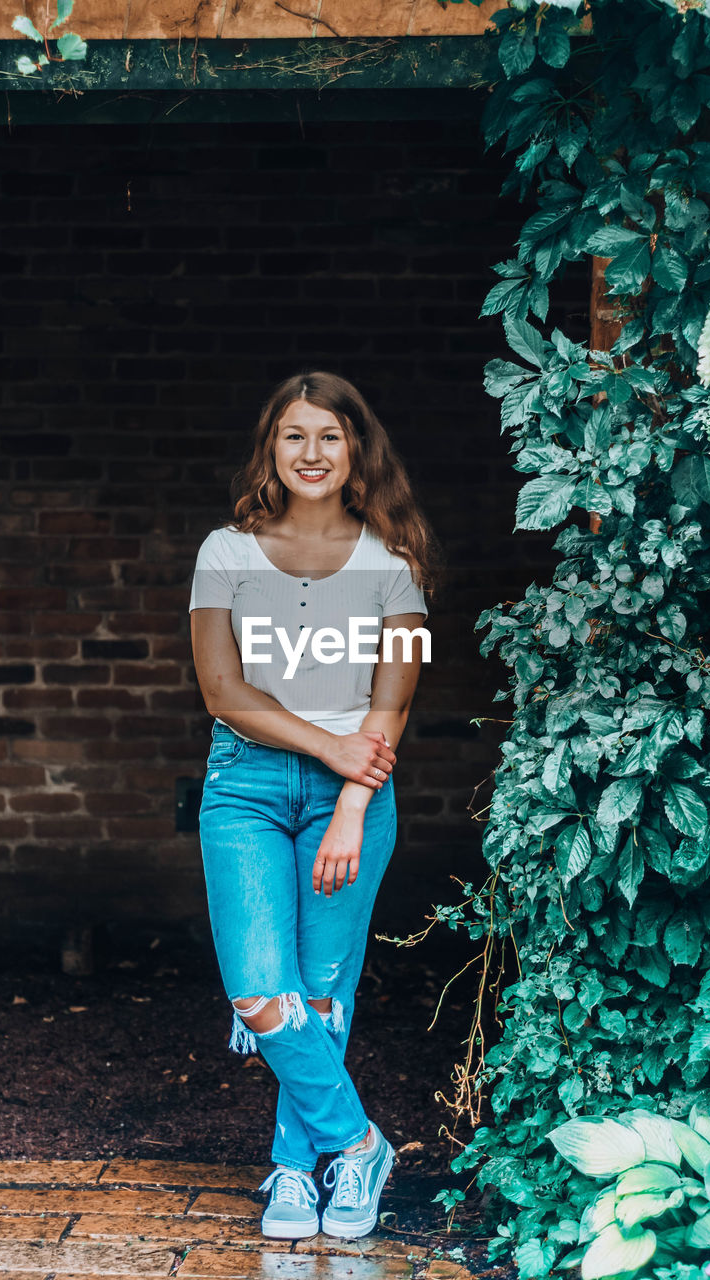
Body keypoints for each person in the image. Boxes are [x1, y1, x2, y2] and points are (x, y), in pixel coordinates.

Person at [188, 370, 442, 1242]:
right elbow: (222, 691)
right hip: (243, 788)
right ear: (272, 449)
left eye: (329, 436)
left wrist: (348, 805)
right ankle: (356, 1142)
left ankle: (297, 1171)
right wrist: (326, 746)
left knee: (325, 995)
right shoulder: (224, 552)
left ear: (355, 449)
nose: (311, 453)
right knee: (261, 992)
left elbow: (391, 705)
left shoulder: (392, 563)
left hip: (355, 795)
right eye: (294, 436)